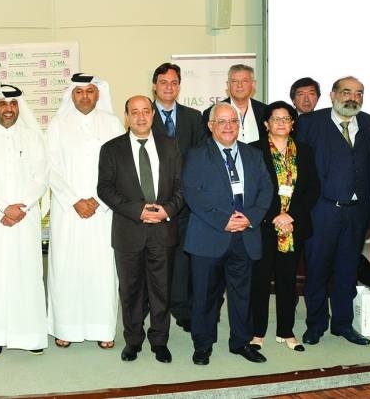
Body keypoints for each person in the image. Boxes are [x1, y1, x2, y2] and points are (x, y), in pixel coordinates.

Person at [183, 102, 272, 365]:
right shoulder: (197, 154)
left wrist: (250, 218)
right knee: (205, 296)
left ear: (239, 125)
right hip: (209, 235)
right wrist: (224, 221)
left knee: (242, 294)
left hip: (245, 234)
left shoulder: (253, 154)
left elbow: (266, 190)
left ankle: (241, 343)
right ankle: (203, 344)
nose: (228, 126)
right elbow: (192, 193)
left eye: (233, 121)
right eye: (221, 121)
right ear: (210, 126)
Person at [97, 95, 184, 363]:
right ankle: (133, 340)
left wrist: (167, 210)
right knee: (130, 290)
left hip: (162, 231)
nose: (141, 117)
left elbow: (182, 187)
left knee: (161, 290)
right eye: (134, 112)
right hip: (128, 231)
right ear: (127, 116)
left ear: (153, 115)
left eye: (146, 111)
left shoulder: (171, 146)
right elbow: (105, 188)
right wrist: (138, 210)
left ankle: (159, 341)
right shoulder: (111, 149)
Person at [295, 76, 370, 347]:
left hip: (355, 213)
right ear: (332, 95)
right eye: (346, 92)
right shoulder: (309, 123)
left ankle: (342, 325)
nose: (352, 97)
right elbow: (301, 170)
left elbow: (369, 171)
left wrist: (368, 212)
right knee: (317, 271)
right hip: (321, 211)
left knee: (347, 272)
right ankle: (316, 324)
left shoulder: (369, 124)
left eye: (358, 93)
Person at [0, 85, 48, 358]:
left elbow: (41, 176)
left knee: (27, 272)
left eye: (13, 104)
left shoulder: (33, 137)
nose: (8, 109)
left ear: (19, 107)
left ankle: (30, 334)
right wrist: (4, 207)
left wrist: (21, 206)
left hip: (25, 217)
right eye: (2, 104)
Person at [46, 73, 124, 350]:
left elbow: (120, 168)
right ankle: (64, 328)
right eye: (79, 92)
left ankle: (103, 328)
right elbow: (51, 168)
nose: (85, 97)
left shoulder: (112, 123)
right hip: (68, 212)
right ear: (72, 95)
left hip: (103, 211)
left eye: (90, 92)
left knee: (102, 270)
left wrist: (100, 201)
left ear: (98, 94)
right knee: (66, 269)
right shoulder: (57, 124)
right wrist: (74, 200)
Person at [248, 102, 319, 353]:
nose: (280, 123)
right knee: (260, 280)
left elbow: (312, 190)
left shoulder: (305, 151)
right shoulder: (253, 151)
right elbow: (251, 192)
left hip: (293, 226)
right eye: (275, 119)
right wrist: (273, 216)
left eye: (286, 118)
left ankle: (286, 331)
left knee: (288, 280)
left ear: (292, 123)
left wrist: (290, 216)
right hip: (263, 227)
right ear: (266, 123)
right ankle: (257, 332)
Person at [149, 62, 207, 333]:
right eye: (163, 82)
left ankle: (182, 308)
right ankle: (153, 308)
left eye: (173, 82)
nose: (168, 87)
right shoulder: (143, 114)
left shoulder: (194, 118)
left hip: (186, 203)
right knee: (155, 258)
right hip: (154, 202)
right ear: (155, 86)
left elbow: (199, 159)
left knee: (183, 260)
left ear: (179, 86)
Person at [202, 64, 267, 143]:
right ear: (228, 85)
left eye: (244, 81)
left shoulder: (265, 111)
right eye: (234, 81)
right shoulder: (211, 112)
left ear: (253, 84)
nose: (239, 85)